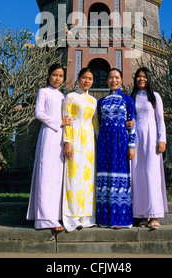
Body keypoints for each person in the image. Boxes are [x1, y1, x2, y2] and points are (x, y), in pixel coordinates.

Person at [26, 64, 71, 231]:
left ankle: (55, 216)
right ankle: (43, 218)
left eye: (60, 75)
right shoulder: (43, 92)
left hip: (61, 137)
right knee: (45, 174)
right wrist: (58, 122)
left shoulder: (63, 96)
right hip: (48, 135)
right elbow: (39, 113)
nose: (57, 78)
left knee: (57, 176)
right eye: (54, 75)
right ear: (48, 75)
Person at [96, 68, 136, 228]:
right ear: (107, 80)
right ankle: (104, 218)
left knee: (120, 176)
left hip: (121, 141)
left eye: (117, 77)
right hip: (104, 142)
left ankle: (120, 218)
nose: (113, 80)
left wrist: (131, 146)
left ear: (121, 79)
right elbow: (99, 123)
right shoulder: (101, 102)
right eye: (110, 78)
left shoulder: (128, 100)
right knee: (104, 178)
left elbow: (132, 124)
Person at [131, 66, 168, 229]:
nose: (141, 79)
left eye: (144, 76)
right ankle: (142, 214)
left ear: (149, 78)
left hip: (152, 138)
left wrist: (162, 139)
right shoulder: (131, 97)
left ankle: (154, 214)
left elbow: (160, 119)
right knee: (137, 175)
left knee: (151, 174)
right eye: (139, 76)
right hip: (136, 139)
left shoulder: (155, 96)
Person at [62, 68, 98, 232]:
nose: (87, 81)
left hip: (89, 142)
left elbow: (95, 125)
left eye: (90, 78)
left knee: (88, 177)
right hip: (75, 138)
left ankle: (86, 216)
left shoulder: (93, 101)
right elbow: (67, 120)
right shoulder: (70, 97)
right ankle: (72, 215)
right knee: (73, 175)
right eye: (84, 77)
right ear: (78, 78)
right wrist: (67, 141)